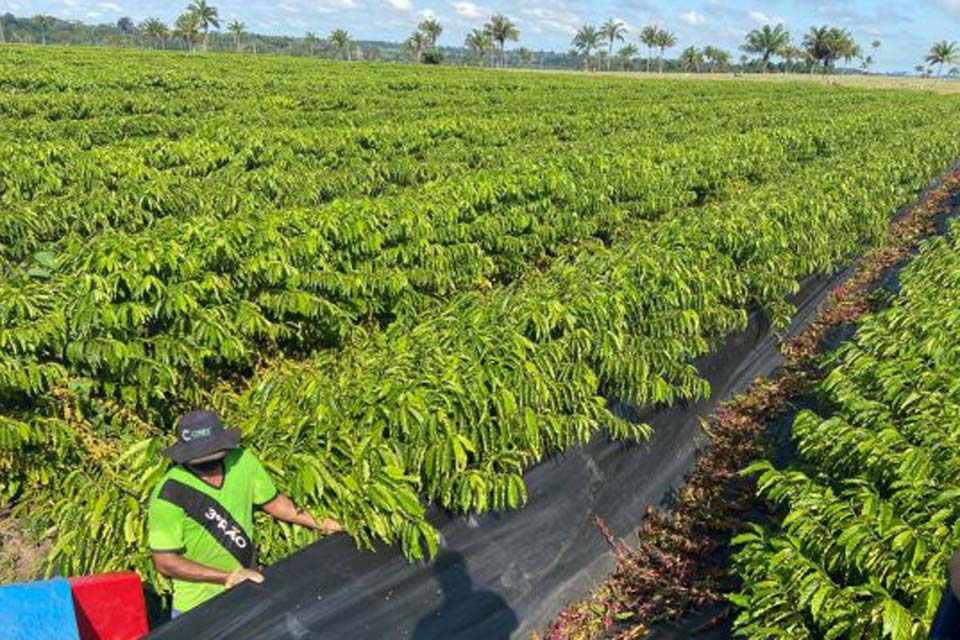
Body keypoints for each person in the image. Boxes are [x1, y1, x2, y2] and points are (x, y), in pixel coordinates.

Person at [148, 410, 344, 618]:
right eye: (201, 462)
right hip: (197, 608)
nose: (209, 468)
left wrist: (322, 523)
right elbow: (165, 561)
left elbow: (275, 502)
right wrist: (227, 577)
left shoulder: (242, 461)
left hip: (247, 594)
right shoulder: (170, 493)